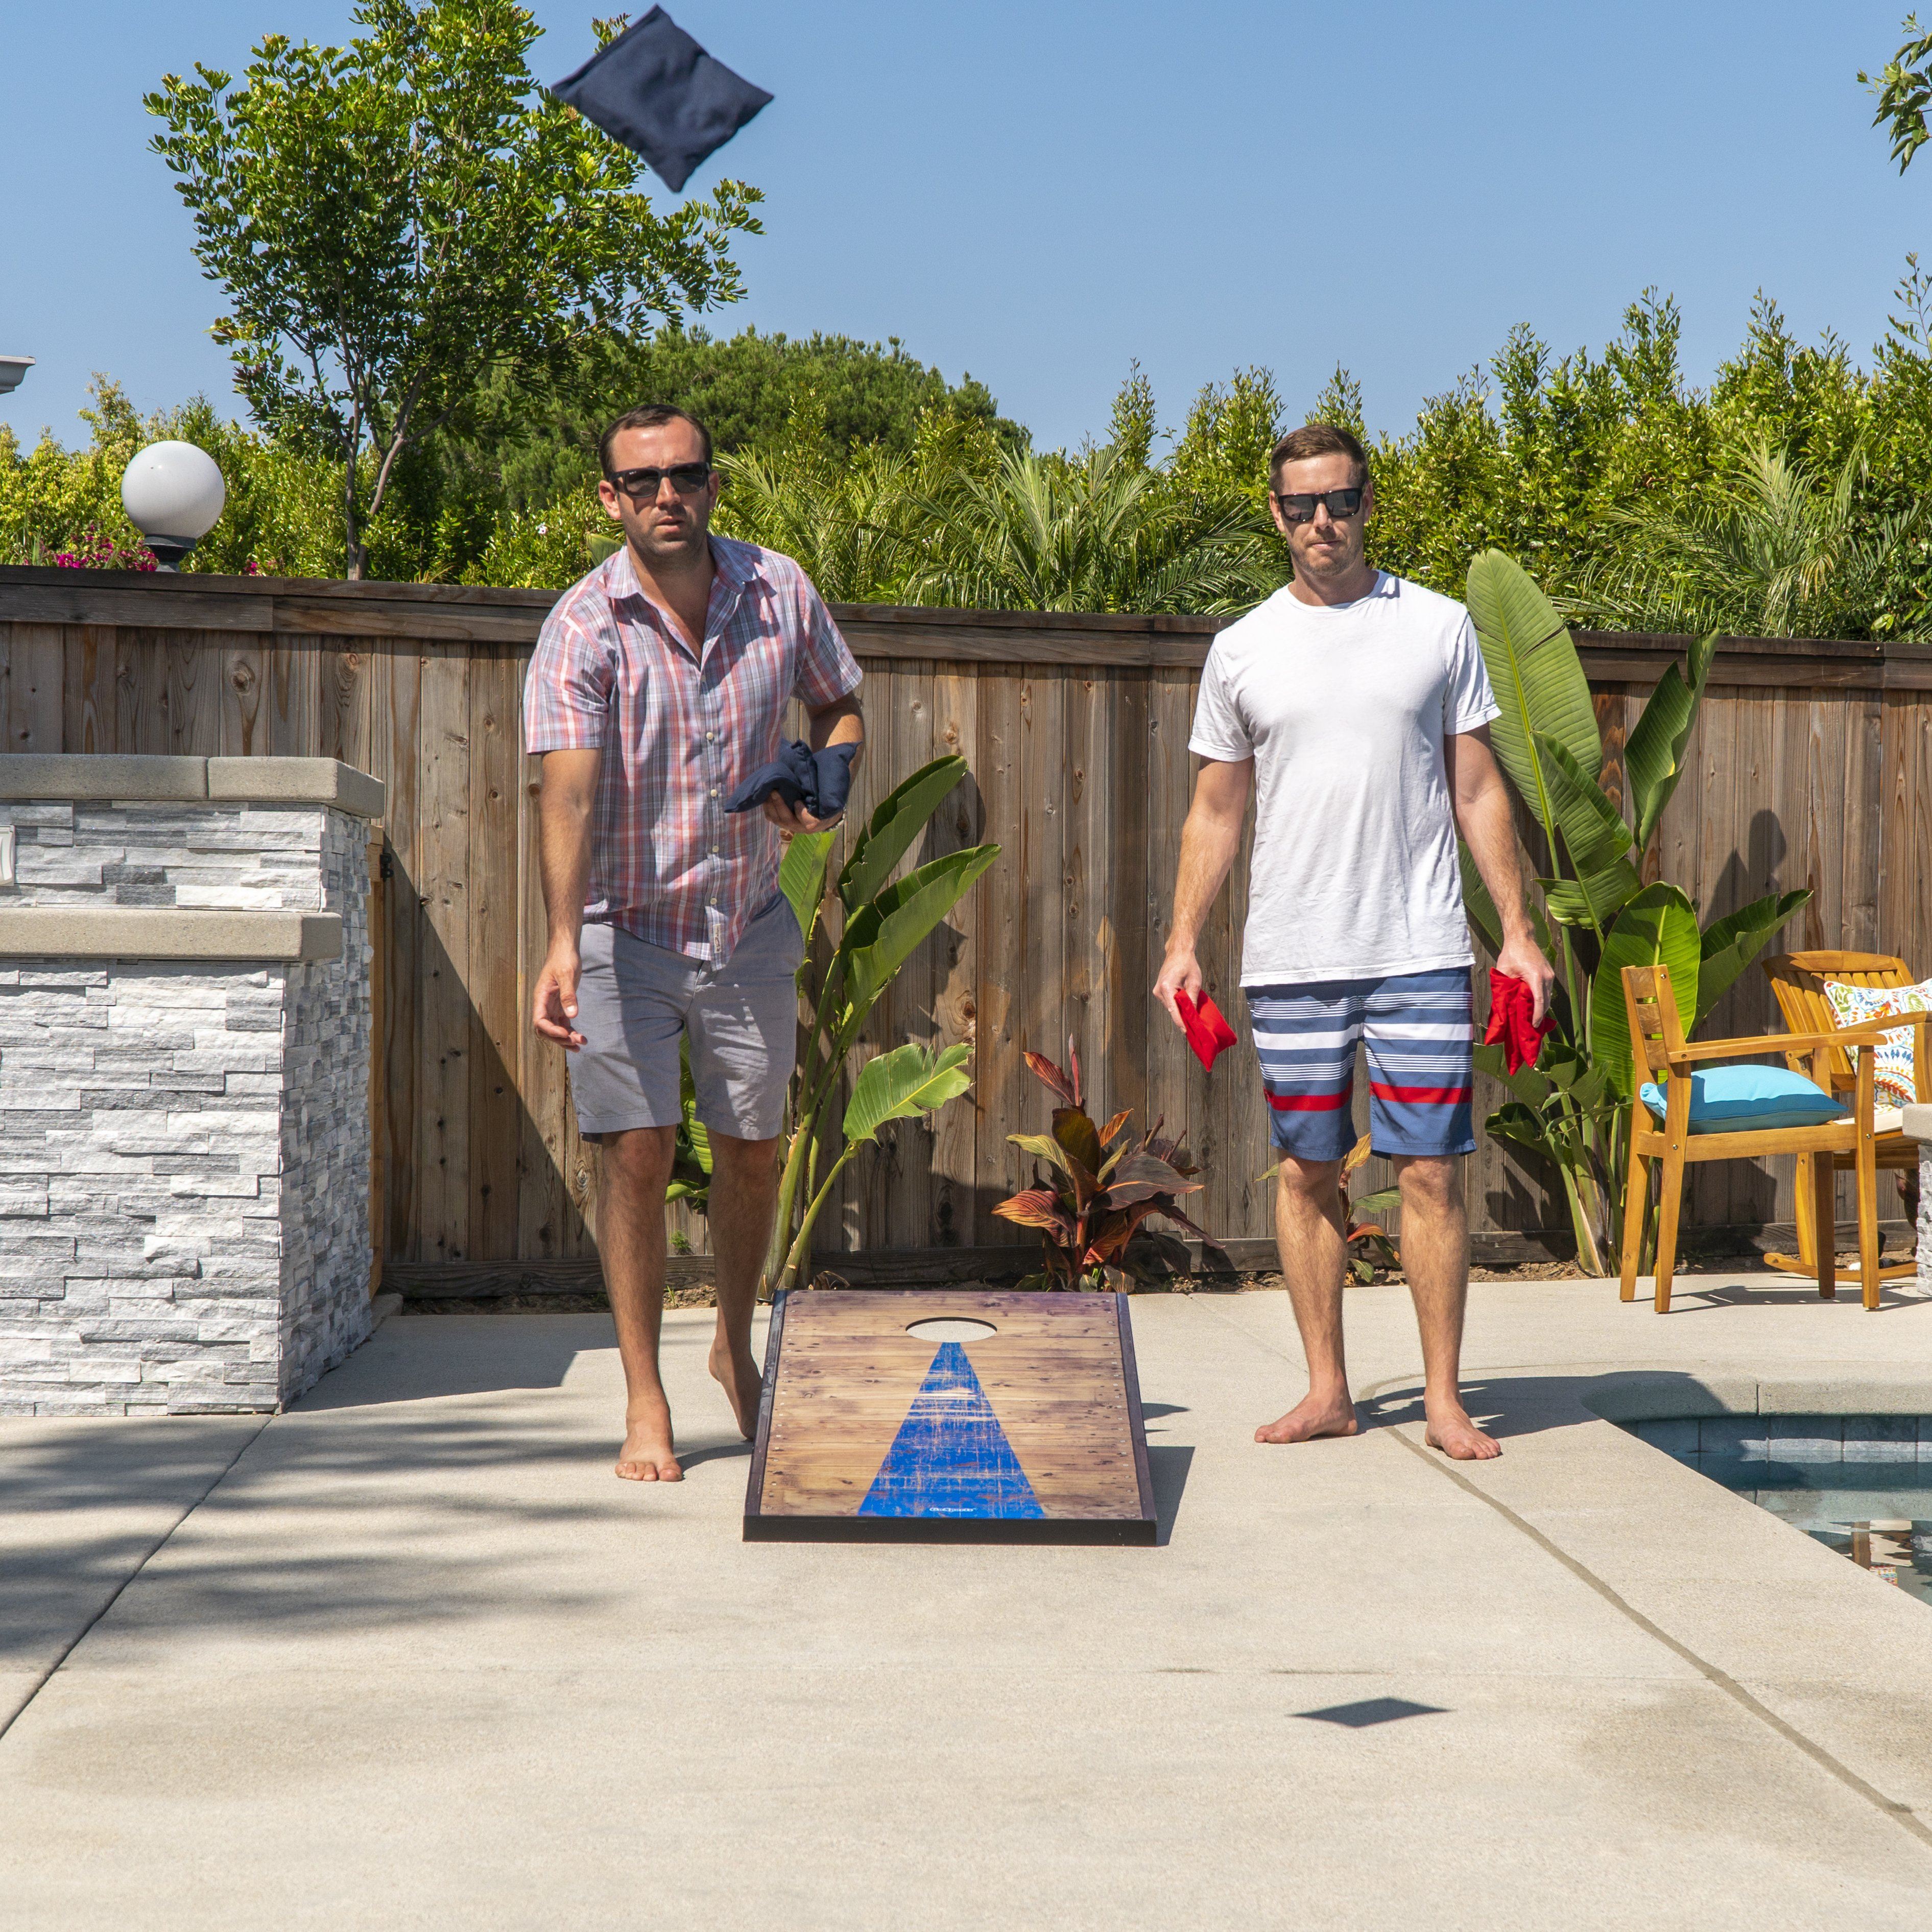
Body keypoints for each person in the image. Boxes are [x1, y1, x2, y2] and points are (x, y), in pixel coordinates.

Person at [1153, 422, 1554, 1461]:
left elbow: (1475, 785)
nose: (1319, 521)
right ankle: (1326, 1387)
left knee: (1428, 1172)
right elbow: (1212, 810)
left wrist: (1514, 928)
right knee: (1306, 1172)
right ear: (1275, 512)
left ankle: (1441, 1399)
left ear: (1368, 501)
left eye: (1337, 500)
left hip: (1418, 944)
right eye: (1299, 505)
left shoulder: (1437, 625)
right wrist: (1180, 938)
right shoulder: (1240, 647)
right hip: (1291, 955)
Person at [523, 403, 864, 1483]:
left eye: (686, 474)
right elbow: (568, 797)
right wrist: (560, 944)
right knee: (638, 1149)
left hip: (749, 922)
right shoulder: (584, 626)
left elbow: (841, 706)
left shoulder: (780, 589)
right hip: (623, 926)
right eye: (643, 480)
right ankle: (643, 1393)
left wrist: (826, 782)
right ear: (609, 498)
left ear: (712, 484)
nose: (667, 494)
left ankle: (733, 1341)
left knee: (752, 1149)